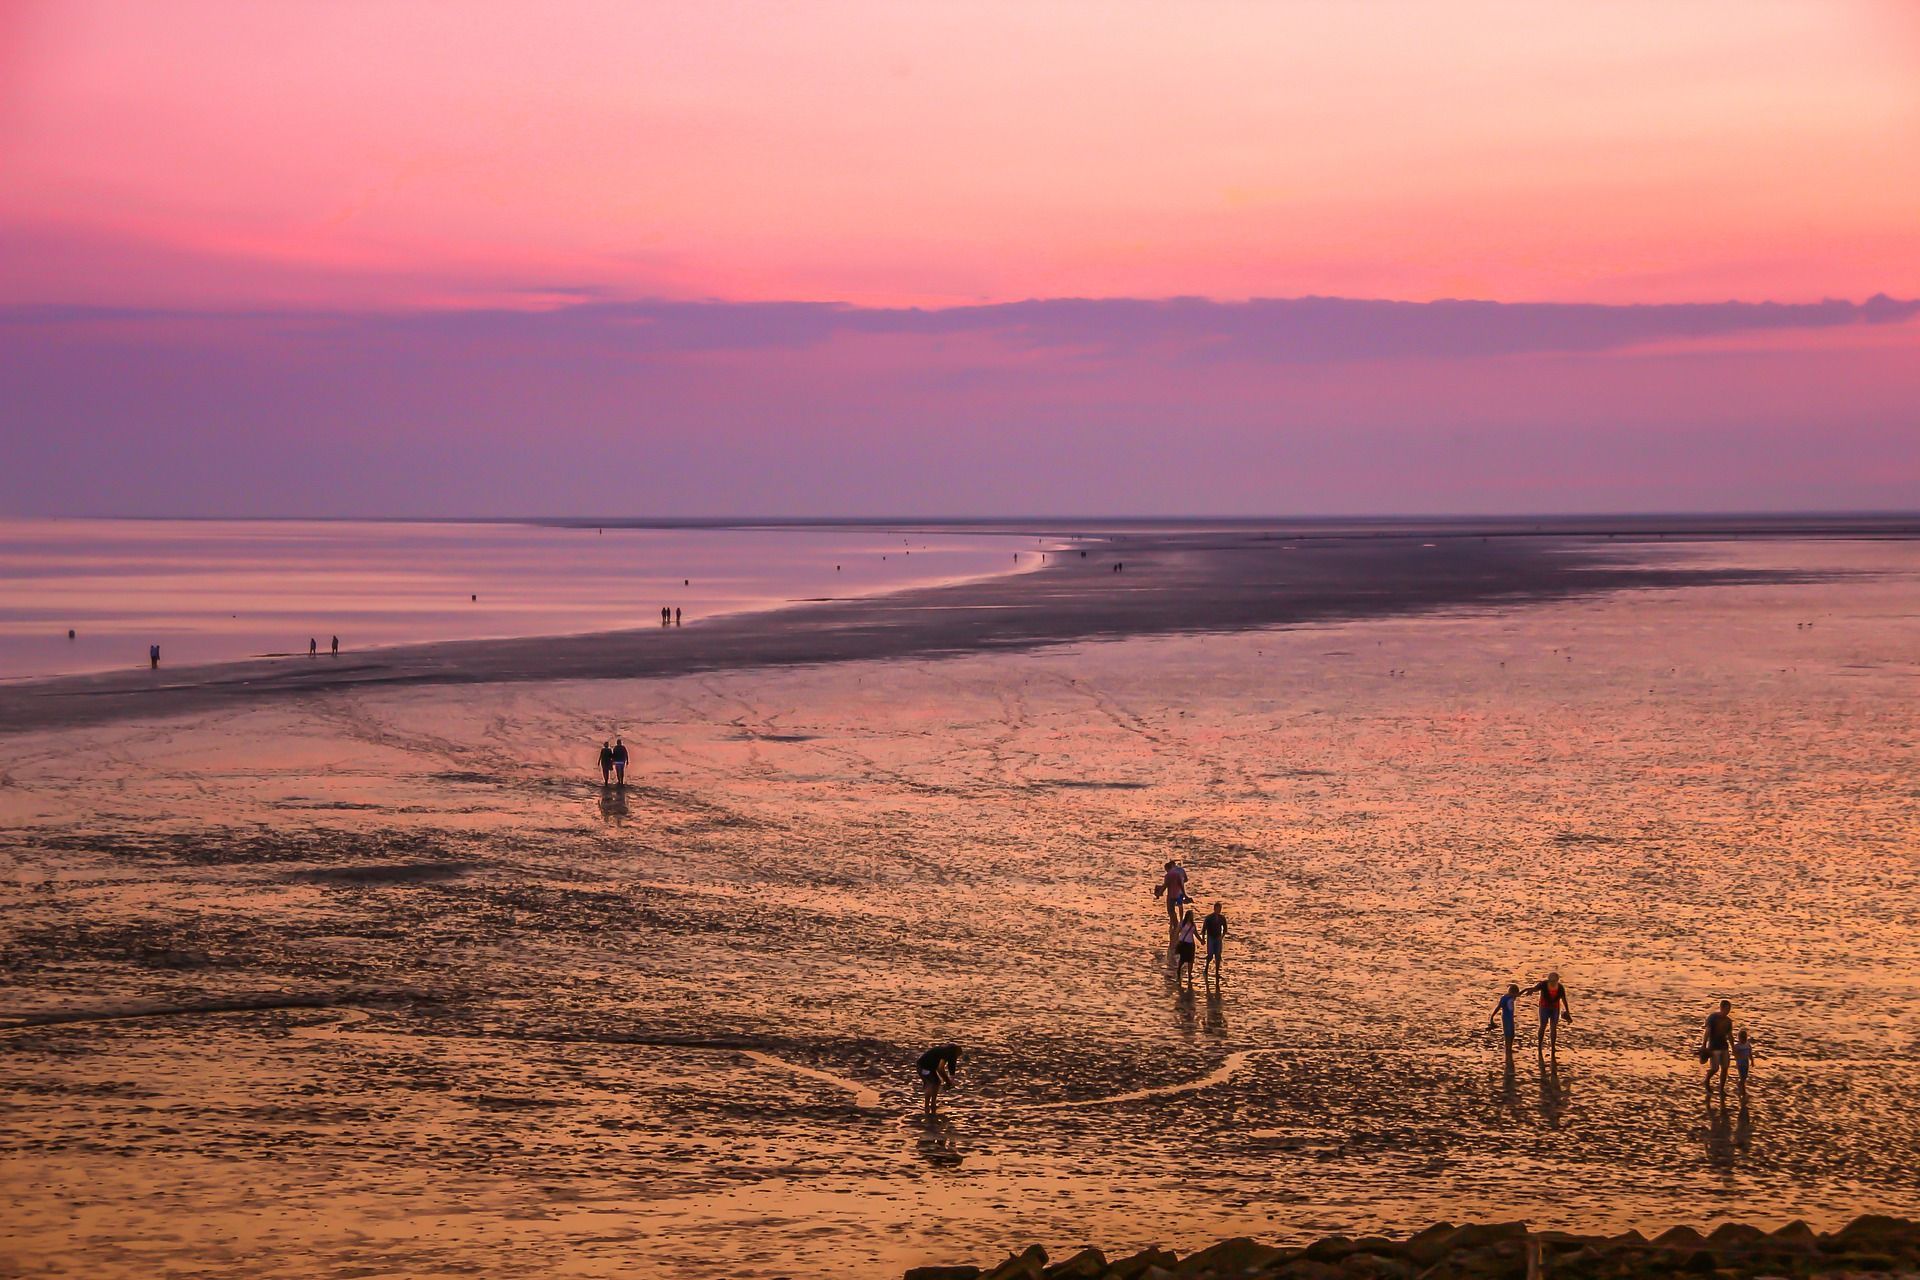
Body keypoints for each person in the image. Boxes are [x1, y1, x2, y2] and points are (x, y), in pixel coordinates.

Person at [1522, 973, 1573, 1057]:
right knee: (1543, 1025)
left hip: (1555, 1009)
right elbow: (1535, 989)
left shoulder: (1560, 988)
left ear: (1557, 980)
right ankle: (1539, 1045)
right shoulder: (1543, 984)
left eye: (1554, 981)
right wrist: (1530, 991)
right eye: (1550, 980)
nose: (1552, 982)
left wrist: (1567, 1012)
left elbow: (1564, 999)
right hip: (1544, 1008)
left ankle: (1553, 1047)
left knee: (1553, 1027)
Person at [917, 1044, 961, 1115]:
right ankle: (926, 1106)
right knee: (930, 1083)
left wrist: (950, 1080)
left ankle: (933, 1104)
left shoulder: (945, 1051)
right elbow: (940, 1069)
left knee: (937, 1082)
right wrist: (948, 1081)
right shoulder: (946, 1053)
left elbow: (950, 1068)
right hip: (922, 1067)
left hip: (930, 1068)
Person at [1701, 999, 1735, 1095]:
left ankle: (1721, 1089)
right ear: (1721, 1008)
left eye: (1729, 1009)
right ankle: (1707, 1079)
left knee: (1725, 1068)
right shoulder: (1712, 1018)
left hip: (1724, 1047)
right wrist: (1704, 1045)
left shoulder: (1728, 1021)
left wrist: (1733, 1048)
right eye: (1726, 1009)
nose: (1728, 1011)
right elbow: (1707, 1031)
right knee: (1715, 1068)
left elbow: (1730, 1035)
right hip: (1713, 1047)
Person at [1487, 982, 1521, 1056]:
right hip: (1506, 1018)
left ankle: (1510, 1048)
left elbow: (1519, 994)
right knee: (1507, 1034)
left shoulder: (1512, 997)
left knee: (1512, 1034)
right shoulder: (1505, 998)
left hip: (1510, 1018)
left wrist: (1528, 989)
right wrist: (1492, 1016)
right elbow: (1498, 1007)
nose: (1516, 997)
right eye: (1515, 994)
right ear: (1512, 992)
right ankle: (1507, 1049)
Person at [1202, 902, 1228, 981]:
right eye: (1217, 908)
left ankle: (1217, 972)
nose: (1218, 910)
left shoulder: (1222, 918)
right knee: (1210, 955)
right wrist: (1203, 938)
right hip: (1211, 937)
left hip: (1218, 938)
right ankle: (1206, 968)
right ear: (1214, 908)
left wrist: (1222, 937)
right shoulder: (1209, 918)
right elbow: (1204, 929)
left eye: (1220, 909)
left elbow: (1225, 929)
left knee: (1218, 955)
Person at [1175, 910, 1199, 986]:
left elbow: (1196, 933)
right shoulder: (1182, 923)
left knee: (1190, 960)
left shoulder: (1192, 924)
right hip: (1183, 943)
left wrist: (1201, 940)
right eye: (1191, 915)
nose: (1192, 917)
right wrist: (1176, 941)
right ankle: (1179, 969)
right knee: (1182, 959)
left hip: (1191, 944)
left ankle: (1189, 975)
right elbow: (1177, 932)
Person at [1733, 1028, 1755, 1093]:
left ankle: (1740, 1085)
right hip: (1740, 1063)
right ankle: (1742, 1089)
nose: (1743, 1039)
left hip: (1746, 1062)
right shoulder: (1737, 1046)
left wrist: (1752, 1061)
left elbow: (1750, 1053)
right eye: (1742, 1037)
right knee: (1742, 1076)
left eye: (1744, 1037)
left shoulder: (1748, 1045)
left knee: (1745, 1076)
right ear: (1739, 1038)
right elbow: (1734, 1053)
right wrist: (1737, 1056)